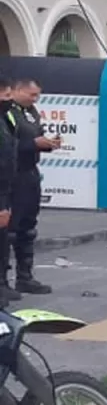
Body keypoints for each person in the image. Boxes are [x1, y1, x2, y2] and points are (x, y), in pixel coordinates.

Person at [0, 80, 60, 296]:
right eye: (31, 94)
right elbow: (13, 143)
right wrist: (34, 144)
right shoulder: (9, 113)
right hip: (12, 175)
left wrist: (48, 143)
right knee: (9, 229)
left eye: (37, 95)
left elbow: (36, 133)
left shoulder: (31, 112)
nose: (35, 99)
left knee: (28, 226)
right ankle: (3, 281)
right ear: (16, 91)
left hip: (30, 172)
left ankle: (25, 277)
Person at [0, 80, 17, 303]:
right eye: (4, 96)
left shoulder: (6, 118)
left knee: (4, 238)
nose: (8, 100)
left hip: (6, 186)